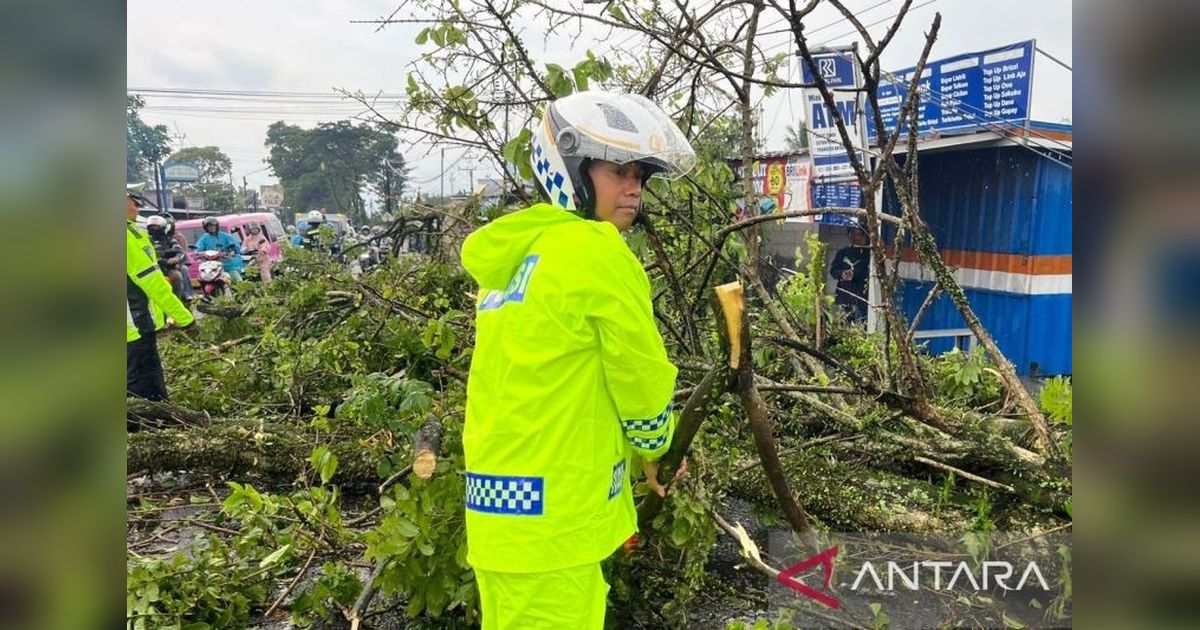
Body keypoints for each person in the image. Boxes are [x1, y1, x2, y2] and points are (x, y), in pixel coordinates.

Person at [459, 90, 695, 630]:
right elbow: (638, 372)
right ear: (572, 170)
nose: (634, 187)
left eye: (640, 174)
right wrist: (659, 446)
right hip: (556, 520)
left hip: (502, 512)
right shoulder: (594, 252)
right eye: (618, 171)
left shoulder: (521, 257)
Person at [127, 184, 196, 423]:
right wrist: (185, 318)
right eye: (135, 203)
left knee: (146, 382)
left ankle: (160, 427)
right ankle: (143, 440)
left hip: (134, 324)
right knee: (141, 385)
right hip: (133, 325)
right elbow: (152, 283)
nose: (138, 209)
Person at [830, 224, 871, 322]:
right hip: (844, 295)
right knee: (845, 324)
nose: (854, 237)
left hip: (861, 296)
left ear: (863, 236)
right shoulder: (842, 253)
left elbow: (868, 273)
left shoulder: (868, 254)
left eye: (857, 235)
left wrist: (854, 274)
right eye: (852, 234)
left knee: (862, 322)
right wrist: (842, 273)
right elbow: (833, 271)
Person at [144, 214, 189, 301]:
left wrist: (176, 258)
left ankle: (177, 300)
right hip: (150, 270)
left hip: (167, 269)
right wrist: (164, 260)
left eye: (156, 227)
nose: (154, 229)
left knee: (177, 276)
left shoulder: (170, 240)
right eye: (152, 227)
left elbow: (180, 252)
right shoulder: (146, 240)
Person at [194, 217, 245, 282]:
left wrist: (232, 250)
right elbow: (198, 247)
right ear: (205, 228)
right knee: (201, 278)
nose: (211, 227)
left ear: (216, 226)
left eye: (213, 225)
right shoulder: (204, 238)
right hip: (211, 265)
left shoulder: (226, 236)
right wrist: (197, 252)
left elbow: (235, 245)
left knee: (237, 279)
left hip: (227, 264)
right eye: (209, 226)